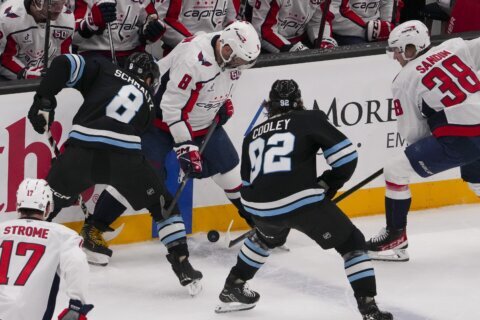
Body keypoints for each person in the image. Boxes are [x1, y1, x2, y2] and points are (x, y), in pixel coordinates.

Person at [79, 21, 261, 295]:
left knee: (229, 172)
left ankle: (260, 225)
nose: (238, 64)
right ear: (225, 46)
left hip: (201, 124)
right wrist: (185, 147)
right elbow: (170, 108)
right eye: (235, 57)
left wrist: (221, 104)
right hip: (160, 124)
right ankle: (94, 228)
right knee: (138, 180)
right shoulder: (194, 59)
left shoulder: (230, 56)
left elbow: (219, 84)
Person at [215, 79, 393, 320]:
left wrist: (257, 213)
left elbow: (247, 183)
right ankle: (369, 308)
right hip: (301, 201)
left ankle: (233, 286)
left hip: (258, 206)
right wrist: (329, 184)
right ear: (299, 101)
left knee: (265, 239)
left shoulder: (252, 135)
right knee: (352, 243)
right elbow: (346, 157)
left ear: (270, 105)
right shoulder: (309, 118)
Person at [366, 20, 480, 261]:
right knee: (476, 180)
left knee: (396, 169)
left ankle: (395, 236)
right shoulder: (454, 46)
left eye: (397, 50)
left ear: (411, 48)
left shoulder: (404, 79)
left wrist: (423, 148)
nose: (395, 56)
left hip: (462, 137)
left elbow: (414, 134)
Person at [0, 178, 93, 320]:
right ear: (48, 206)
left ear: (18, 205)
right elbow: (77, 262)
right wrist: (76, 306)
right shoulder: (63, 235)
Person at [73, 0, 166, 66]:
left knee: (157, 74)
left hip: (132, 54)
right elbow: (71, 37)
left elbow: (149, 21)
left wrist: (150, 33)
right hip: (93, 53)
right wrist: (90, 23)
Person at [0, 0, 74, 80]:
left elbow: (64, 55)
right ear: (35, 1)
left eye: (63, 2)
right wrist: (26, 73)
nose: (59, 9)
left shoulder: (67, 18)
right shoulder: (7, 20)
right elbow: (4, 58)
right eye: (53, 3)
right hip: (14, 78)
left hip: (48, 76)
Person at [246, 0, 338, 53]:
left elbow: (318, 21)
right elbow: (263, 31)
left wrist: (324, 40)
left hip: (299, 41)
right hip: (260, 43)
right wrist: (292, 49)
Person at [156, 0, 238, 56]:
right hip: (181, 54)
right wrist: (197, 44)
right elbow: (164, 20)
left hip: (219, 55)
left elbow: (231, 21)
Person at [330, 0, 399, 46]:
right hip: (348, 33)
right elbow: (332, 14)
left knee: (395, 46)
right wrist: (368, 30)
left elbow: (388, 4)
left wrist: (386, 26)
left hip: (377, 28)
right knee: (364, 52)